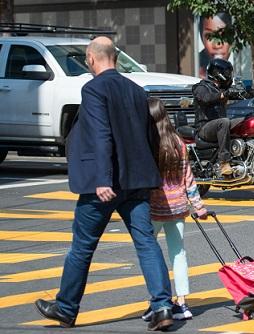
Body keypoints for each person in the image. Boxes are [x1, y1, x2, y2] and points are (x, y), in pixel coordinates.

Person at [33, 36, 175, 331]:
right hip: (137, 183)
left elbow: (100, 134)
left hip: (105, 185)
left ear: (91, 58)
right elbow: (150, 136)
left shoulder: (93, 88)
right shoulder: (137, 90)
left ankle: (66, 307)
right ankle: (162, 306)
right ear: (115, 57)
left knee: (82, 247)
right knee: (146, 243)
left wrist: (101, 178)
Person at [141, 97, 208, 322]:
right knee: (178, 254)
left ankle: (158, 302)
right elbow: (188, 177)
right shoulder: (178, 142)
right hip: (178, 207)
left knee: (149, 253)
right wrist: (199, 206)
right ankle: (182, 303)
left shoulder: (148, 144)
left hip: (153, 208)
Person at [193, 58, 241, 176]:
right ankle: (224, 162)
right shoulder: (200, 87)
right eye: (226, 74)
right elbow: (206, 98)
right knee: (224, 122)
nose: (229, 76)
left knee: (246, 121)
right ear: (217, 73)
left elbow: (243, 93)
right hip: (204, 128)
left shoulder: (221, 90)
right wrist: (223, 94)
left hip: (217, 126)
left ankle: (241, 155)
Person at [198, 12, 232, 79]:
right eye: (209, 36)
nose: (217, 45)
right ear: (202, 38)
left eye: (224, 35)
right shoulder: (196, 70)